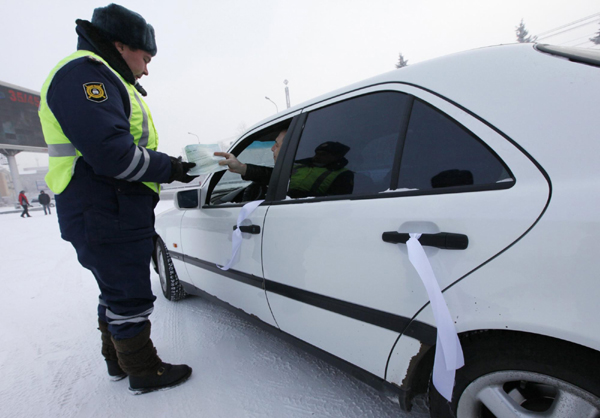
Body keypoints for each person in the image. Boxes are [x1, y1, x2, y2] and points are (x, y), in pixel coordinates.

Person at [38, 3, 196, 394]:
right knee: (129, 292)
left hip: (108, 206)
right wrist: (172, 168)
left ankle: (117, 363)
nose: (146, 68)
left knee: (116, 289)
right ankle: (143, 370)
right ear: (121, 45)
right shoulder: (84, 74)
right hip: (106, 206)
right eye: (145, 58)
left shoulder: (103, 76)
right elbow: (113, 154)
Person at [215, 131, 354, 199]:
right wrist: (241, 168)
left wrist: (293, 195)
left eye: (277, 144)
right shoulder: (299, 165)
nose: (272, 149)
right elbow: (272, 176)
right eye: (318, 152)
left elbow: (332, 205)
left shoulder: (343, 176)